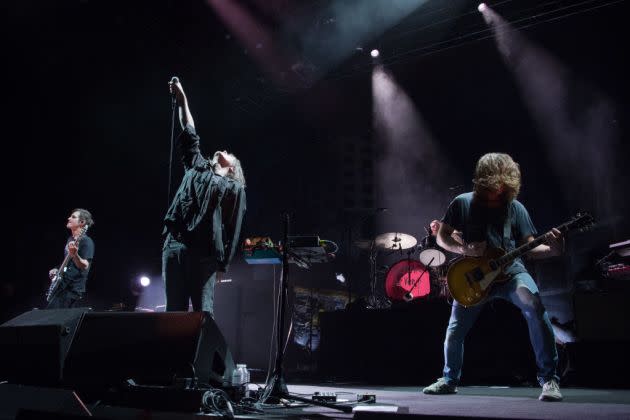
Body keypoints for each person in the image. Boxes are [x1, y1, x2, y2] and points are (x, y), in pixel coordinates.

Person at [422, 153, 564, 402]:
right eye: (491, 189)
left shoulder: (516, 208)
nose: (495, 195)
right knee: (455, 329)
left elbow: (530, 247)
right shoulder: (462, 203)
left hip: (511, 273)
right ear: (481, 182)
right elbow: (442, 237)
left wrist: (554, 249)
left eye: (501, 191)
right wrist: (464, 249)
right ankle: (449, 379)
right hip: (475, 275)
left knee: (534, 305)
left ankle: (549, 379)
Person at [162, 78, 246, 314]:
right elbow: (189, 130)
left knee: (202, 313)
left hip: (204, 252)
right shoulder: (197, 166)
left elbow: (233, 227)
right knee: (173, 311)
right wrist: (182, 98)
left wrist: (222, 265)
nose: (224, 150)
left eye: (229, 154)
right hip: (174, 244)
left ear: (232, 168)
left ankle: (200, 349)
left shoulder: (234, 189)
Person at [46, 209, 95, 309]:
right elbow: (68, 263)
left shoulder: (86, 241)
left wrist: (75, 255)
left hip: (72, 290)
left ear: (82, 222)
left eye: (73, 217)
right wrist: (56, 269)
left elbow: (85, 266)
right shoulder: (70, 239)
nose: (69, 218)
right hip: (62, 287)